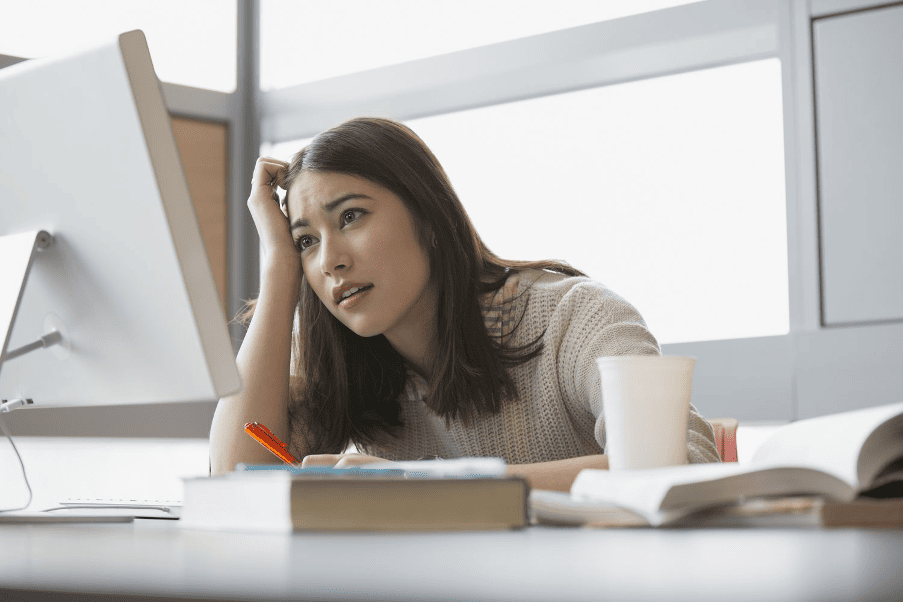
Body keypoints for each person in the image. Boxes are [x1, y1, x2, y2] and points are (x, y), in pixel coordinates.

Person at [209, 117, 720, 490]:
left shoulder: (575, 317)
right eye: (306, 241)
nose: (329, 262)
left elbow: (682, 468)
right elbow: (234, 486)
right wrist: (278, 273)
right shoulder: (343, 365)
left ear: (428, 217)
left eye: (350, 217)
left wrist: (422, 484)